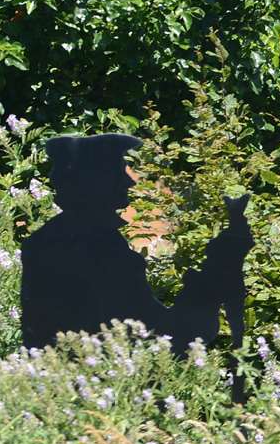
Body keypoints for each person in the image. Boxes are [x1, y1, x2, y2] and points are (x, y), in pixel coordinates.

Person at [19, 133, 248, 358]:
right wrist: (204, 292)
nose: (129, 181)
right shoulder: (98, 246)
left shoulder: (51, 238)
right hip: (97, 382)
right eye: (119, 170)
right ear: (95, 181)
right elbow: (155, 331)